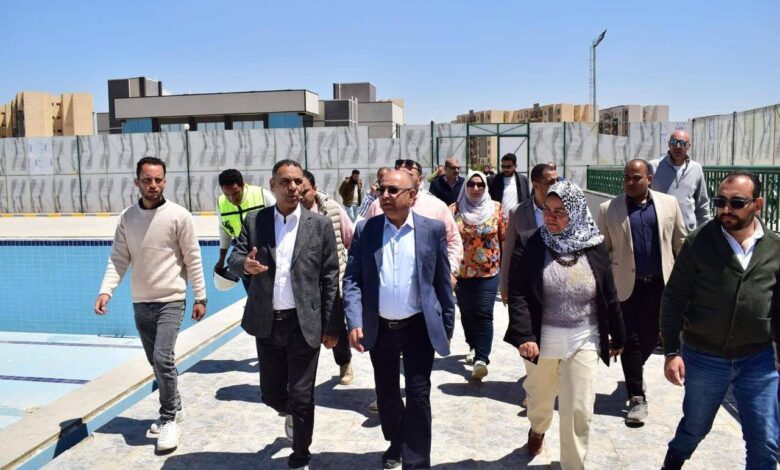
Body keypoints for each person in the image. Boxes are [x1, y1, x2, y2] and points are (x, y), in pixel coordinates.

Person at [659, 171, 780, 470]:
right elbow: (673, 298)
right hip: (704, 357)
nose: (726, 209)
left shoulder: (775, 248)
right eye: (720, 202)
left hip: (758, 360)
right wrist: (672, 351)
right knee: (695, 427)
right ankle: (673, 461)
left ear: (758, 204)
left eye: (736, 203)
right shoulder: (699, 242)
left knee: (765, 441)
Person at [227, 159, 340, 470]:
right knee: (271, 394)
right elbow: (234, 257)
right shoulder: (256, 221)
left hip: (304, 324)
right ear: (272, 185)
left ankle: (301, 453)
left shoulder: (319, 225)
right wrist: (244, 265)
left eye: (297, 181)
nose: (293, 187)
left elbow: (330, 276)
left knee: (303, 396)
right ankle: (290, 412)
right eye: (285, 182)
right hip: (267, 323)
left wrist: (332, 325)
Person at [504, 181, 624, 469]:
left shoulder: (595, 245)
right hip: (542, 341)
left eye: (560, 211)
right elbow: (519, 291)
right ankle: (537, 428)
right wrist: (524, 335)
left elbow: (608, 292)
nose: (551, 217)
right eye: (547, 209)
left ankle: (573, 465)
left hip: (584, 337)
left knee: (578, 410)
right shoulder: (531, 242)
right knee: (540, 401)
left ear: (577, 211)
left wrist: (619, 335)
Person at [344, 170, 456, 469]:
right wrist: (354, 320)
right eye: (382, 190)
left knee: (418, 395)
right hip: (380, 327)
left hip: (418, 327)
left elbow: (442, 281)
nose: (385, 196)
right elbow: (352, 279)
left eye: (393, 190)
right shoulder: (366, 230)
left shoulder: (431, 230)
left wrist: (446, 324)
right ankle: (396, 441)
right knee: (387, 394)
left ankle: (416, 461)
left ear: (412, 196)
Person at [95, 157, 207, 453]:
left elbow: (193, 258)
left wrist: (200, 296)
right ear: (137, 182)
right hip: (141, 302)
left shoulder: (179, 216)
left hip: (171, 299)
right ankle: (176, 405)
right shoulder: (127, 217)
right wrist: (106, 291)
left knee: (162, 358)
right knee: (155, 362)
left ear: (165, 181)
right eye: (147, 180)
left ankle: (168, 419)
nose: (153, 185)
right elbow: (118, 258)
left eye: (158, 180)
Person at [595, 159, 687, 425]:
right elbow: (602, 251)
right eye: (626, 177)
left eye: (636, 178)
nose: (630, 182)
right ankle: (636, 396)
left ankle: (635, 370)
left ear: (649, 178)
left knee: (652, 337)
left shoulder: (669, 204)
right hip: (626, 286)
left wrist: (689, 281)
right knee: (631, 340)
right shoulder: (609, 209)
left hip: (661, 285)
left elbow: (680, 243)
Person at [300, 170, 356, 385]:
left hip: (333, 282)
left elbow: (350, 240)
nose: (300, 196)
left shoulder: (332, 209)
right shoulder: (291, 214)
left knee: (337, 328)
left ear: (315, 189)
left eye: (305, 191)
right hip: (304, 285)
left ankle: (344, 363)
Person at [449, 171, 506, 379]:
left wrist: (506, 271)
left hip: (488, 272)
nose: (475, 188)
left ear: (485, 187)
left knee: (484, 313)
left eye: (480, 185)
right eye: (471, 184)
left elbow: (504, 239)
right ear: (465, 186)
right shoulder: (454, 210)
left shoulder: (497, 209)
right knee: (467, 312)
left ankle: (482, 358)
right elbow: (447, 240)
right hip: (462, 272)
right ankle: (473, 345)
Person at [499, 163, 558, 305]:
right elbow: (509, 252)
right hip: (529, 285)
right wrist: (504, 286)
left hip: (559, 284)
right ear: (536, 185)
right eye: (550, 183)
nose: (556, 186)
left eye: (556, 181)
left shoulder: (566, 211)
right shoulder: (517, 213)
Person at [215, 169, 276, 291]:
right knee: (252, 294)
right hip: (243, 255)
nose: (232, 199)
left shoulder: (262, 195)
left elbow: (280, 219)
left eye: (235, 193)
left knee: (274, 293)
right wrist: (221, 259)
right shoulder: (221, 203)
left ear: (243, 185)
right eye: (227, 195)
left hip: (269, 251)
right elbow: (224, 230)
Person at [650, 130, 710, 232]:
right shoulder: (653, 166)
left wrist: (705, 230)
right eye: (674, 142)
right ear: (669, 145)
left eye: (682, 143)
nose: (677, 146)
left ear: (688, 146)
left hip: (687, 232)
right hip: (660, 231)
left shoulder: (696, 168)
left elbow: (702, 203)